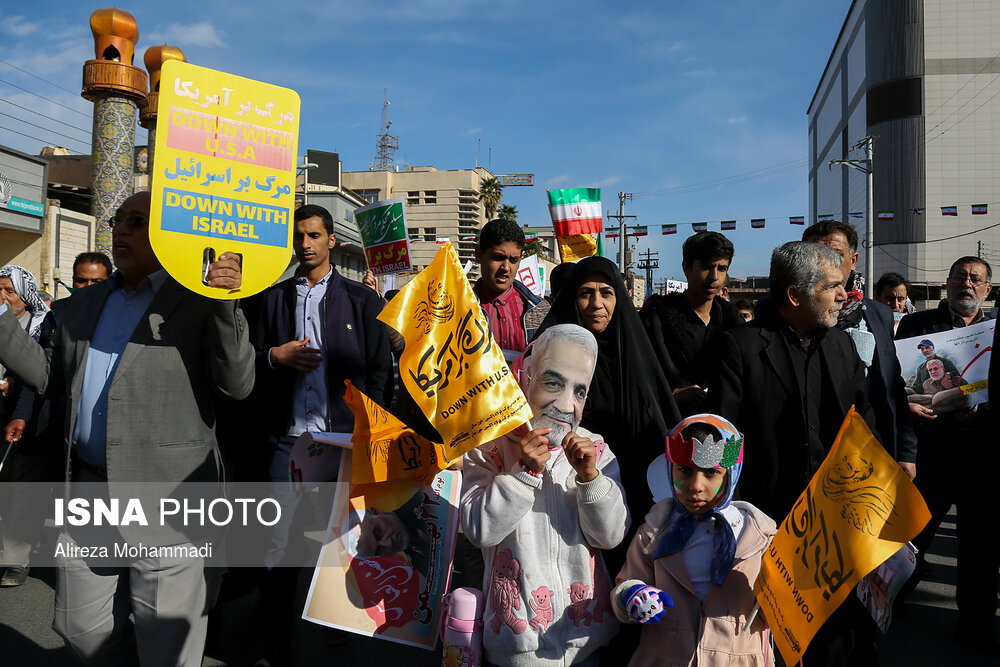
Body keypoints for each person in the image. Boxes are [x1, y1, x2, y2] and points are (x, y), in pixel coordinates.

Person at [0, 190, 253, 665]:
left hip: (167, 496)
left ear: (166, 234)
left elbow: (237, 384)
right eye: (119, 220)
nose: (122, 230)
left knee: (167, 643)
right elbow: (49, 377)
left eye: (137, 221)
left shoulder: (200, 301)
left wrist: (225, 303)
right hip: (90, 488)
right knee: (79, 625)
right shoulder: (83, 304)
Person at [709, 241, 880, 666]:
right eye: (833, 287)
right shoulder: (741, 346)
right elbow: (726, 439)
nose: (845, 295)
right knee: (770, 639)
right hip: (768, 522)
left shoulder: (842, 347)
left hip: (835, 525)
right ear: (795, 295)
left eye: (844, 285)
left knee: (834, 640)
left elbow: (864, 421)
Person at [251, 203, 392, 662]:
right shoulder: (269, 299)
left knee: (342, 541)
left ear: (332, 240)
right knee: (277, 544)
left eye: (314, 235)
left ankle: (339, 630)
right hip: (286, 442)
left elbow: (378, 372)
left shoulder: (360, 300)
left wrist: (369, 431)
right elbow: (245, 361)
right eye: (299, 237)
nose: (305, 244)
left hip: (343, 445)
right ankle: (273, 643)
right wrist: (276, 357)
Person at [461, 323, 627, 666]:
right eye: (553, 383)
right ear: (525, 377)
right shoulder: (490, 447)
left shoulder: (595, 450)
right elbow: (478, 529)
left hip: (586, 640)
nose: (566, 404)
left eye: (579, 391)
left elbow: (610, 536)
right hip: (517, 645)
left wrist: (591, 478)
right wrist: (522, 473)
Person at [535, 256, 680, 564]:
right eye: (586, 293)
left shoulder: (638, 354)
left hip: (636, 492)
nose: (596, 303)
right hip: (567, 489)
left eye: (606, 293)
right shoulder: (545, 356)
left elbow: (659, 420)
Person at [612, 414, 776, 666]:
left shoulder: (759, 538)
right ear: (671, 468)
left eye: (711, 472)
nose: (696, 485)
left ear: (731, 473)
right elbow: (626, 582)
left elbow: (779, 610)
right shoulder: (655, 531)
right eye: (685, 471)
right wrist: (632, 594)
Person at [895, 255, 997, 645]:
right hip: (931, 450)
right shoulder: (918, 325)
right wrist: (907, 405)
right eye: (959, 277)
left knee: (981, 547)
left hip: (984, 454)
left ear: (987, 289)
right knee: (912, 535)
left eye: (975, 279)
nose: (966, 284)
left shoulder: (994, 328)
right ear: (947, 284)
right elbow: (894, 380)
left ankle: (977, 626)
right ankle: (889, 601)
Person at [802, 221, 917, 478]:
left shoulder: (880, 314)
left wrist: (906, 452)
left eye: (836, 255)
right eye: (815, 255)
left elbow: (892, 386)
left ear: (853, 260)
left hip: (870, 446)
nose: (825, 264)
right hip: (808, 450)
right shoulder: (788, 311)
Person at [640, 231, 742, 417]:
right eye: (707, 267)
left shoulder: (733, 321)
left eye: (722, 268)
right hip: (668, 428)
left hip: (722, 429)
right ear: (687, 268)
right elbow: (638, 377)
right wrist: (673, 394)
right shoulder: (656, 319)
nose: (714, 277)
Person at [0, 265, 52, 587]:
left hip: (25, 418)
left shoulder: (41, 325)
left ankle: (16, 559)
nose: (3, 296)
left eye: (9, 290)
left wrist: (12, 390)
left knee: (23, 489)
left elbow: (39, 377)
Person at [473, 218, 543, 358]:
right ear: (479, 255)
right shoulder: (458, 309)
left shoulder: (540, 310)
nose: (506, 268)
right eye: (498, 257)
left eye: (513, 260)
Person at [353, 491, 432, 573]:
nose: (388, 543)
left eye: (379, 532)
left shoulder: (427, 502)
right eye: (379, 550)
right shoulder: (418, 562)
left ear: (377, 512)